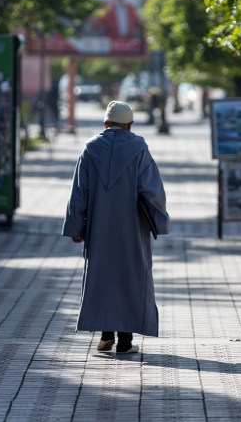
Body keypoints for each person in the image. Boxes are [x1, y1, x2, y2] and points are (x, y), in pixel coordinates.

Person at [62, 101, 169, 354]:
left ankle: (105, 334)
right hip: (132, 228)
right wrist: (159, 221)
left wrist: (76, 226)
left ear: (105, 124)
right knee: (131, 277)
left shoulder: (90, 150)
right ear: (130, 125)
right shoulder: (139, 150)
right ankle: (125, 340)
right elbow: (153, 191)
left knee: (102, 277)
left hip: (98, 227)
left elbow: (79, 193)